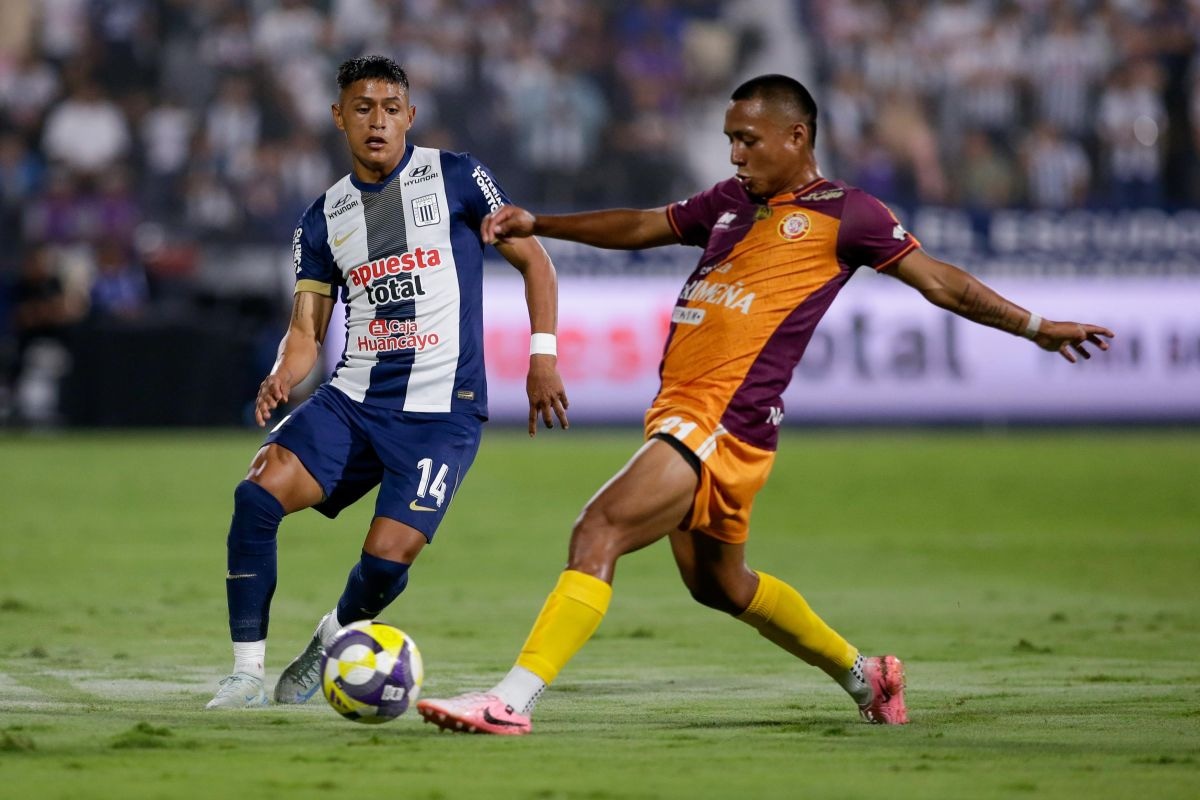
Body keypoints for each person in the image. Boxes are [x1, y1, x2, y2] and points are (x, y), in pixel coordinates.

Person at [415, 74, 1114, 734]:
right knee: (721, 586)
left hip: (720, 419)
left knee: (598, 529)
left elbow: (940, 282)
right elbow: (644, 226)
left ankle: (509, 702)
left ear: (796, 137)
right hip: (692, 414)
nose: (736, 154)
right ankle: (867, 677)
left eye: (748, 139)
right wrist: (542, 222)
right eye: (731, 140)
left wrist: (1034, 326)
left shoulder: (848, 213)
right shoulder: (730, 202)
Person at [205, 55, 569, 709]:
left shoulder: (458, 176)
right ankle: (244, 674)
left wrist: (542, 357)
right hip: (354, 400)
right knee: (256, 494)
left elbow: (535, 260)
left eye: (391, 109)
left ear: (410, 116)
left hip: (442, 412)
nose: (377, 121)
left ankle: (334, 635)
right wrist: (282, 374)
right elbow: (306, 328)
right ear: (338, 116)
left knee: (385, 561)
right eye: (363, 108)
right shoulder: (323, 217)